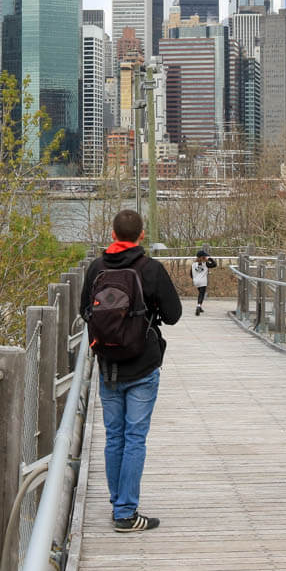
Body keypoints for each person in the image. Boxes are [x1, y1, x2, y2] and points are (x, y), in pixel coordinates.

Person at [80, 209, 182, 532]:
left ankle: (118, 503)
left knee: (114, 437)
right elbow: (175, 314)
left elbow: (85, 311)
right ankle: (125, 512)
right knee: (135, 437)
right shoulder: (150, 269)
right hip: (142, 365)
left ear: (112, 234)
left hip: (108, 366)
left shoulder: (96, 268)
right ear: (141, 235)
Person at [190, 249, 216, 315]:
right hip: (203, 281)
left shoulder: (193, 264)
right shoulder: (206, 263)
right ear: (203, 257)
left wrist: (195, 278)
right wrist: (210, 259)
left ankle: (200, 307)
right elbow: (214, 265)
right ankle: (198, 306)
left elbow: (191, 274)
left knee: (200, 293)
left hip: (195, 281)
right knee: (201, 294)